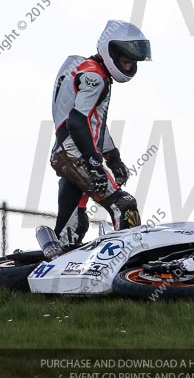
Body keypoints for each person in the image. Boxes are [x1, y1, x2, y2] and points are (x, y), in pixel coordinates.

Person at [46, 19, 151, 249]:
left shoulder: (86, 68)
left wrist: (113, 158)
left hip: (68, 152)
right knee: (124, 206)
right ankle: (127, 261)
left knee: (73, 224)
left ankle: (54, 260)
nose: (129, 66)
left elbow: (94, 123)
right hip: (74, 153)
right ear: (110, 51)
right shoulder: (95, 77)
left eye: (132, 61)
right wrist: (94, 163)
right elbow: (77, 122)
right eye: (126, 60)